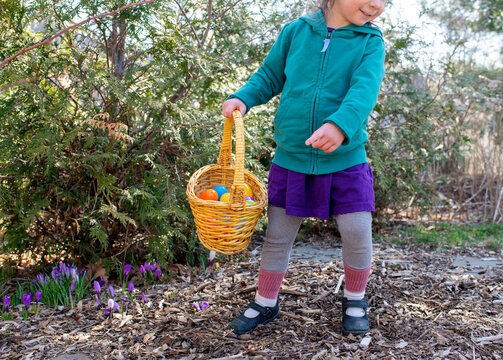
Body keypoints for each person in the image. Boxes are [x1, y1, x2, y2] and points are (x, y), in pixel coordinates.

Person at [222, 0, 387, 336]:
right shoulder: (296, 32)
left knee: (357, 230)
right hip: (292, 157)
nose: (375, 4)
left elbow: (364, 91)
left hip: (346, 158)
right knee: (278, 235)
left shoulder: (369, 42)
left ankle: (355, 299)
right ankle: (265, 301)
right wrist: (244, 97)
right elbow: (269, 75)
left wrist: (340, 125)